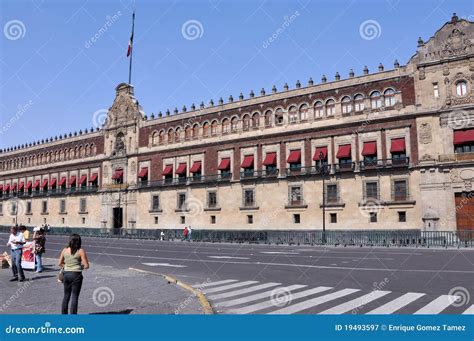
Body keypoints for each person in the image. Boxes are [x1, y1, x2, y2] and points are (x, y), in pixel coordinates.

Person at [58, 234, 89, 314]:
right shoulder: (80, 250)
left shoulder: (65, 250)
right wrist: (79, 267)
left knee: (66, 296)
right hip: (76, 275)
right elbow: (86, 266)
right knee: (75, 296)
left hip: (66, 274)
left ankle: (64, 315)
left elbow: (60, 263)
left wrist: (67, 266)